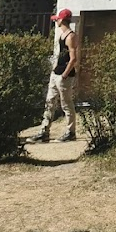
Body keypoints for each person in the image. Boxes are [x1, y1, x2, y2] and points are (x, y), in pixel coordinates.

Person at [32, 8, 79, 142]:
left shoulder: (71, 36)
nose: (56, 21)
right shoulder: (61, 35)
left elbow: (73, 58)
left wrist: (65, 74)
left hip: (64, 75)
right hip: (56, 73)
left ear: (62, 20)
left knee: (66, 104)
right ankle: (44, 131)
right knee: (49, 102)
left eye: (58, 19)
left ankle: (71, 132)